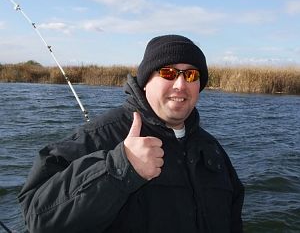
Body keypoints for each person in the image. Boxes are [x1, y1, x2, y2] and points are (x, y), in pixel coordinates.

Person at [18, 34, 244, 233]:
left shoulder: (212, 148)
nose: (180, 84)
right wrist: (118, 168)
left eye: (191, 75)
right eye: (168, 72)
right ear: (145, 82)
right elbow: (38, 218)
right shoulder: (100, 135)